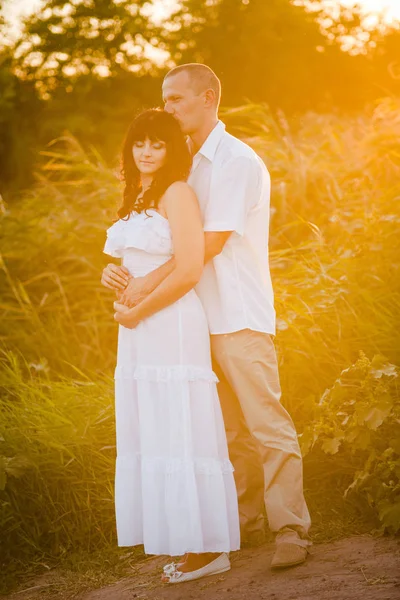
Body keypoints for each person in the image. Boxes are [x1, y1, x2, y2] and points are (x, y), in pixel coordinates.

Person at [102, 63, 311, 570]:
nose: (168, 108)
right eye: (165, 99)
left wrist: (143, 287)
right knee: (226, 431)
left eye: (174, 99)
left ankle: (291, 528)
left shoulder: (236, 161)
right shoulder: (181, 164)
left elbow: (209, 245)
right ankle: (241, 522)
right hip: (189, 318)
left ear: (208, 97)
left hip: (236, 313)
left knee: (265, 422)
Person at [103, 108, 240, 584]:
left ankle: (208, 549)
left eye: (157, 143)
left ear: (171, 149)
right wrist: (113, 275)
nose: (145, 151)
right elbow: (136, 259)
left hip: (171, 321)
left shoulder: (177, 193)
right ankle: (187, 541)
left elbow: (188, 267)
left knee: (183, 426)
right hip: (139, 326)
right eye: (139, 142)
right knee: (158, 429)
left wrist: (139, 310)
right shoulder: (138, 194)